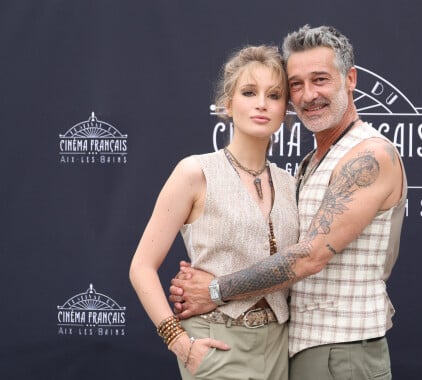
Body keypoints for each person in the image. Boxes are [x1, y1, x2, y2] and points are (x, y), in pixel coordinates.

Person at [170, 25, 407, 380]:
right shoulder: (308, 163)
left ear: (350, 79)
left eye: (321, 79)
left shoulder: (369, 155)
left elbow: (310, 256)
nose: (309, 94)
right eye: (296, 84)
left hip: (342, 352)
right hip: (293, 349)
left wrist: (215, 289)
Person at [129, 45, 299, 380]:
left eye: (274, 95)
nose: (262, 103)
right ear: (228, 104)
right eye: (249, 92)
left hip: (280, 348)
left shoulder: (291, 184)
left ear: (285, 110)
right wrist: (179, 342)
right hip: (217, 343)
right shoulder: (195, 172)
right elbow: (141, 267)